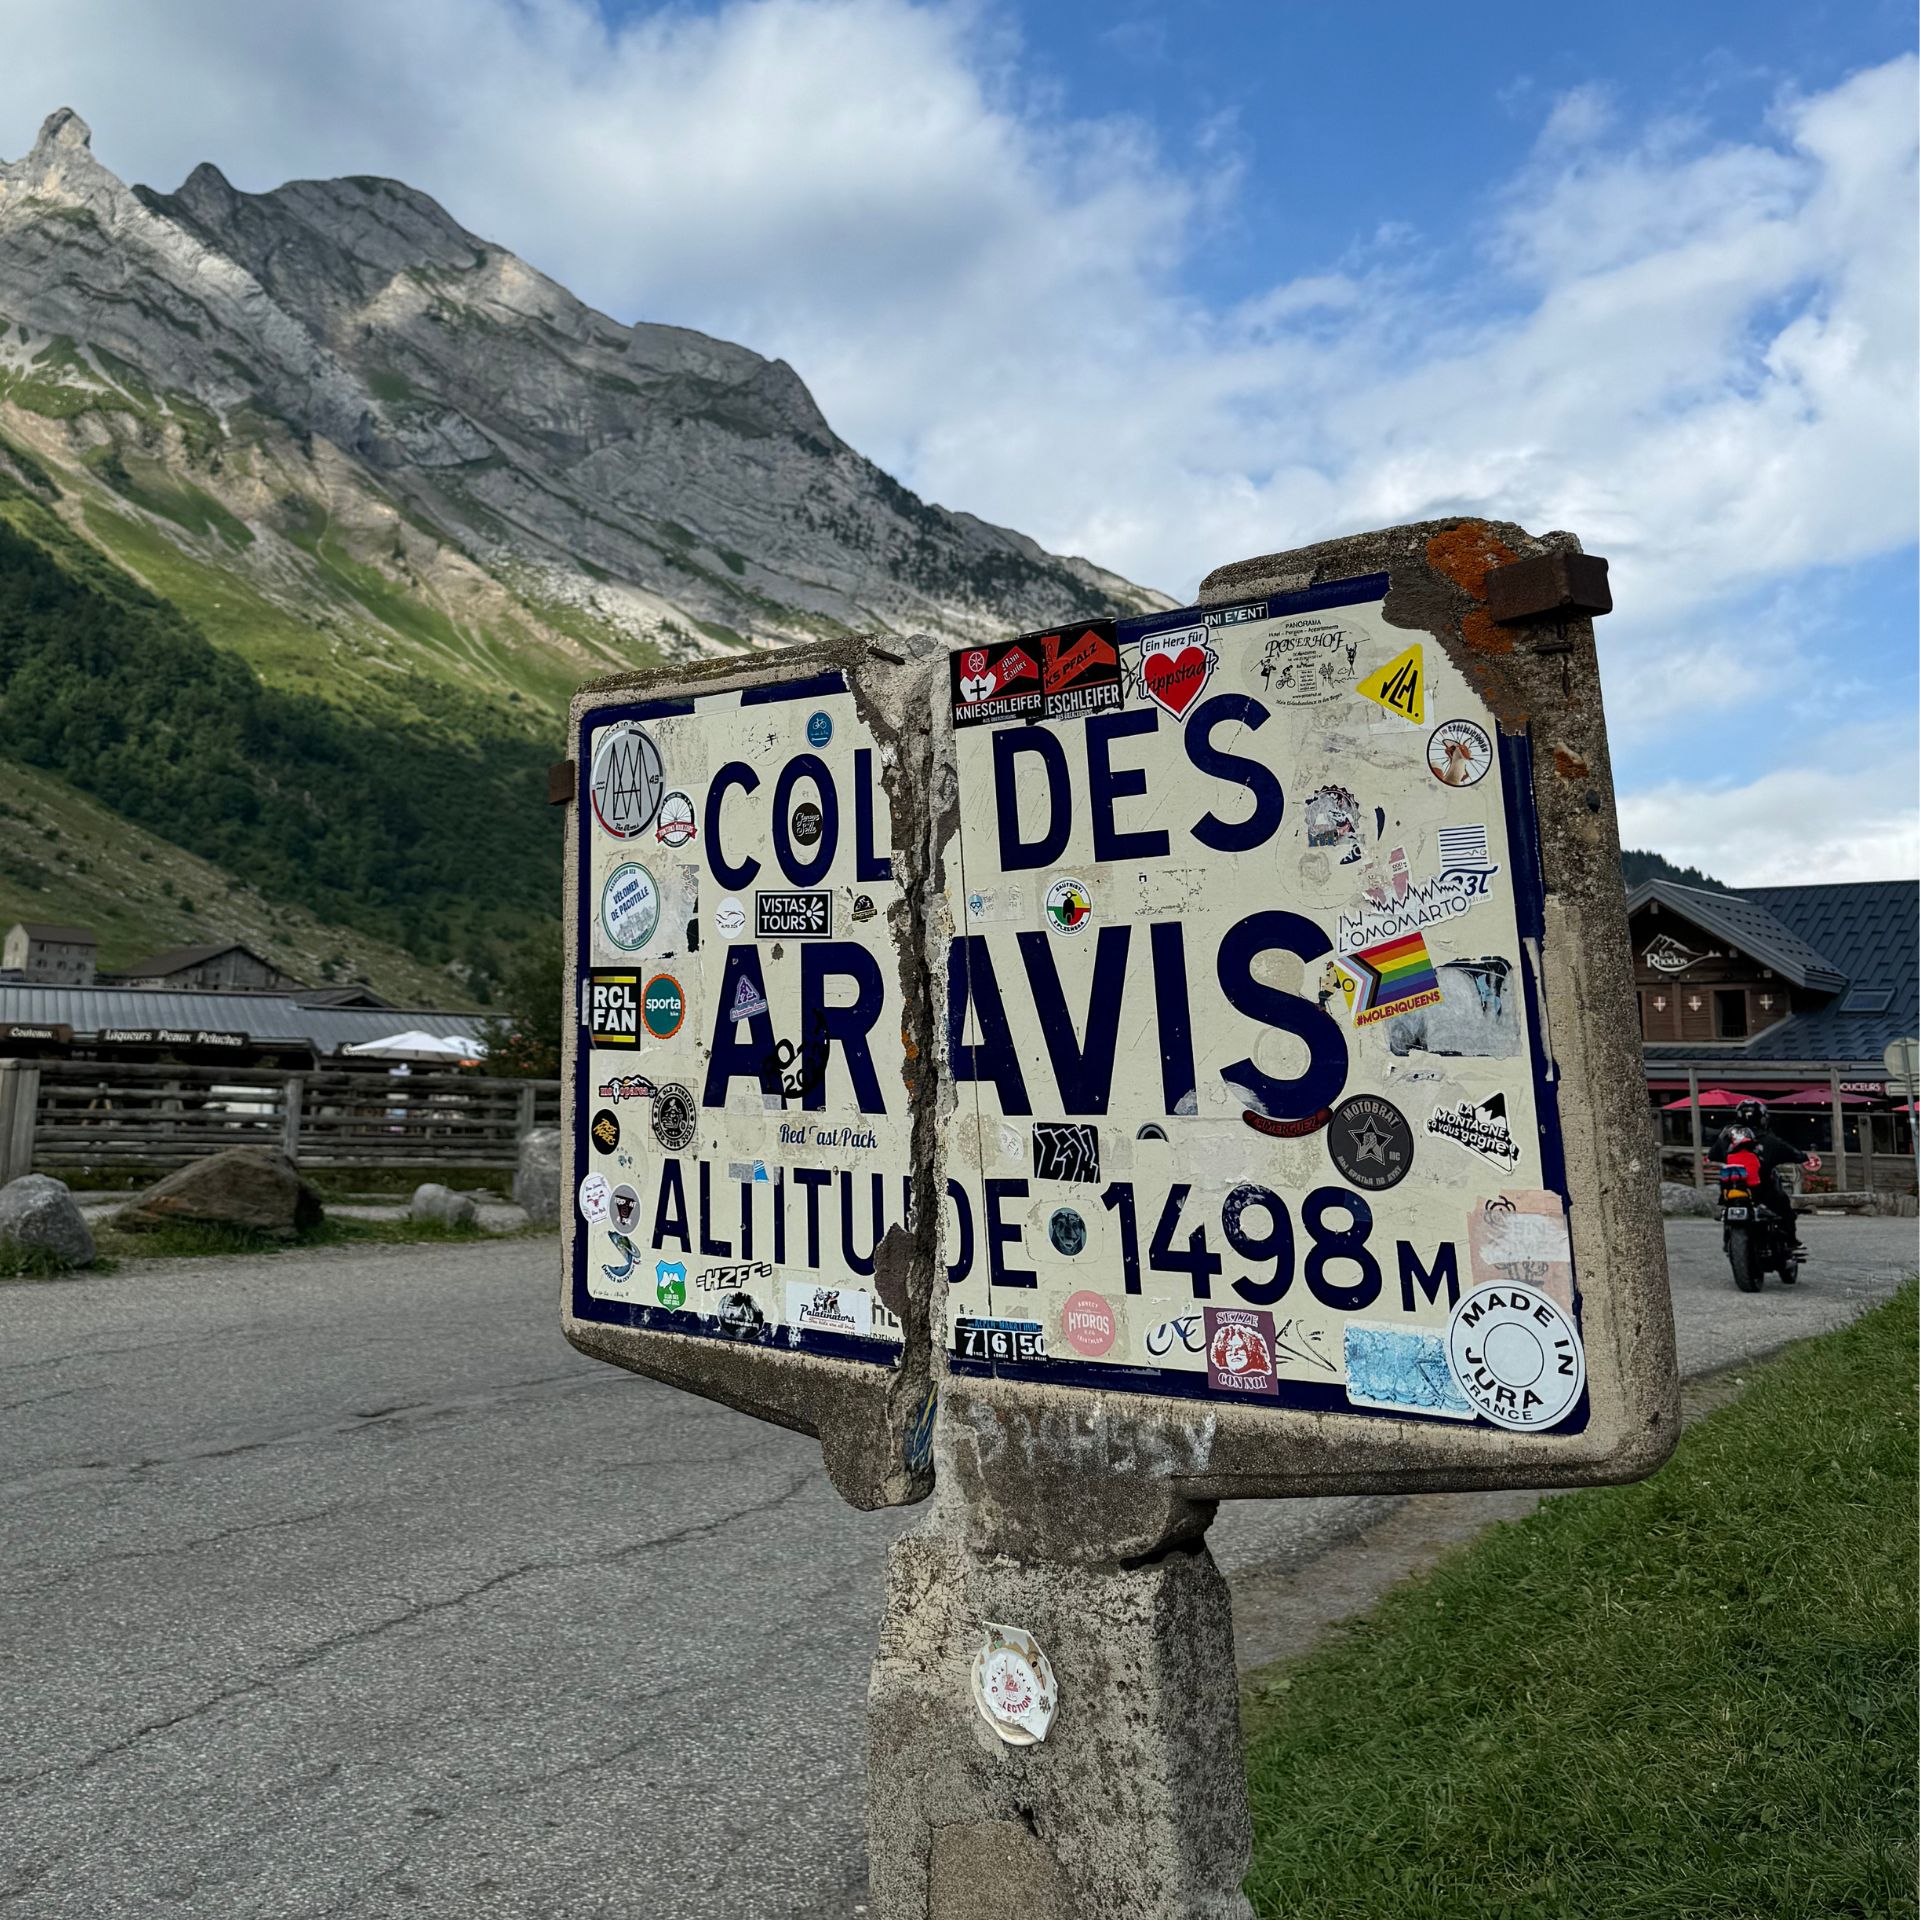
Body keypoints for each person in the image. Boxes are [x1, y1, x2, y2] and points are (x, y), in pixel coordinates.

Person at [1710, 1100, 1815, 1252]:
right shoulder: (1768, 1139)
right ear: (1762, 1118)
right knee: (1784, 1205)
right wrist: (1804, 1157)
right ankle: (1790, 1240)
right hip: (1763, 1189)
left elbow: (1713, 1154)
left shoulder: (1726, 1136)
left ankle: (1728, 1241)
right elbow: (1793, 1153)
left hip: (1732, 1188)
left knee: (1727, 1208)